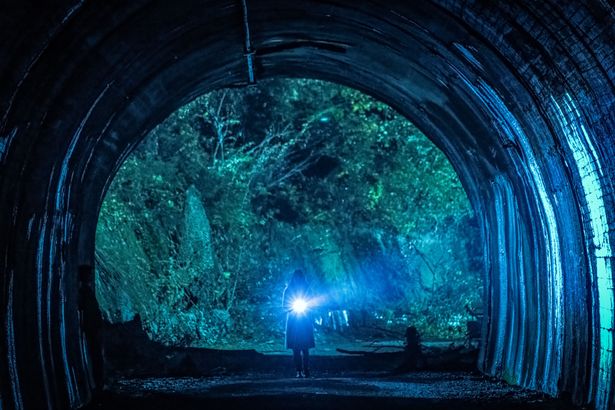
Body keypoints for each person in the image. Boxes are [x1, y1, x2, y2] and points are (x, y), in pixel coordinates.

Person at [283, 269, 315, 378]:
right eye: (296, 277)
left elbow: (312, 302)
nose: (298, 279)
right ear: (294, 278)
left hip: (305, 321)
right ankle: (298, 371)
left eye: (299, 277)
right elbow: (285, 305)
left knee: (305, 348)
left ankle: (306, 370)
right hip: (293, 321)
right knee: (296, 348)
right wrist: (290, 308)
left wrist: (308, 307)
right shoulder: (288, 290)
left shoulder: (307, 289)